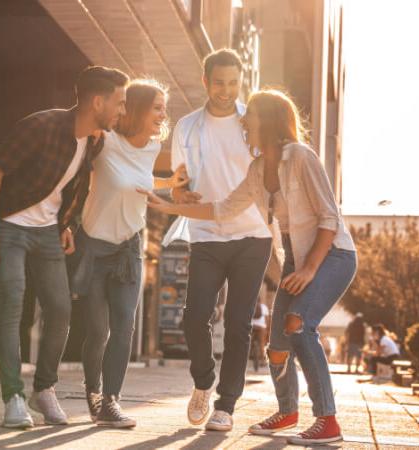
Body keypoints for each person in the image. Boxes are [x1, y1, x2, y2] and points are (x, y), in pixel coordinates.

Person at [140, 88, 358, 445]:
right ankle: (288, 411)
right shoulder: (258, 170)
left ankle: (328, 421)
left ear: (269, 122)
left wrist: (308, 270)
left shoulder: (301, 157)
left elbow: (329, 219)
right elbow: (222, 209)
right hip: (297, 259)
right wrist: (167, 208)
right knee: (277, 345)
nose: (244, 123)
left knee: (298, 326)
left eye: (250, 118)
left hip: (331, 255)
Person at [0, 66, 128, 429]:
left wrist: (67, 225)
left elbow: (75, 186)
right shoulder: (41, 126)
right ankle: (13, 397)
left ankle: (43, 389)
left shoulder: (93, 140)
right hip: (10, 226)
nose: (122, 111)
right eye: (119, 103)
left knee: (61, 310)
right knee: (14, 306)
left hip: (47, 231)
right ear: (98, 101)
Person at [160, 48, 273, 432]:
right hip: (206, 233)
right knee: (195, 316)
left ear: (241, 84)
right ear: (205, 81)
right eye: (219, 82)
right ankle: (203, 382)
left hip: (252, 235)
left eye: (233, 83)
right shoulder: (187, 127)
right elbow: (179, 180)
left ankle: (226, 404)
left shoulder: (251, 124)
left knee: (240, 323)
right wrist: (179, 195)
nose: (226, 91)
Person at [70, 79, 188, 428]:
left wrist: (171, 184)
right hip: (94, 248)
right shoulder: (104, 142)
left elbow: (143, 180)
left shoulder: (152, 148)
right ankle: (93, 392)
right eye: (157, 106)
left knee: (124, 327)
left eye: (163, 107)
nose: (163, 113)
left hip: (129, 249)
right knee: (97, 331)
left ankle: (111, 401)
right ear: (135, 108)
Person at [250, 301, 270, 372]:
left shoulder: (249, 305)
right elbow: (267, 319)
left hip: (251, 326)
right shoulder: (264, 307)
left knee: (247, 343)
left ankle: (245, 358)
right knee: (262, 343)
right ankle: (263, 360)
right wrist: (267, 329)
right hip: (261, 327)